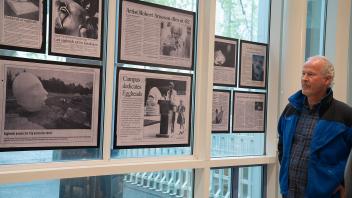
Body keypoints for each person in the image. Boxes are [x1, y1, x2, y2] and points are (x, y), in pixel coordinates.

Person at [277, 55, 352, 198]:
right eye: (303, 73)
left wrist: (344, 184)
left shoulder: (345, 115)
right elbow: (282, 146)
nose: (304, 78)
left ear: (327, 80)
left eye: (310, 74)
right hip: (290, 192)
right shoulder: (291, 109)